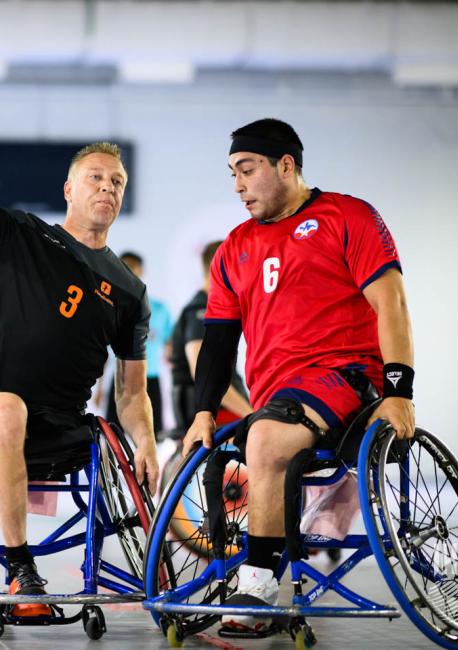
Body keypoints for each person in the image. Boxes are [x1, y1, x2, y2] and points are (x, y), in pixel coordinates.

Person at [183, 118, 415, 634]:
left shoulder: (347, 216)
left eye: (247, 170)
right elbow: (219, 342)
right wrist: (202, 410)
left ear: (285, 165)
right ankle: (256, 563)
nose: (238, 184)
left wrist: (400, 391)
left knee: (264, 438)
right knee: (253, 436)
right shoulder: (235, 247)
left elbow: (392, 302)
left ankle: (259, 584)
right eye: (232, 174)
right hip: (280, 396)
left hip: (346, 378)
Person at [0, 136, 158, 614]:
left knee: (57, 422)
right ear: (68, 189)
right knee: (9, 409)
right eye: (96, 178)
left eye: (117, 182)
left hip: (63, 425)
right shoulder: (22, 233)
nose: (107, 188)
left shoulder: (131, 291)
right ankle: (20, 571)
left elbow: (131, 392)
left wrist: (146, 440)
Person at [169, 240, 252, 435]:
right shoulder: (201, 310)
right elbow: (203, 372)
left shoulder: (204, 308)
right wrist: (251, 415)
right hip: (219, 416)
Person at [97, 252, 174, 435]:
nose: (129, 271)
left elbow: (170, 348)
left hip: (150, 379)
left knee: (152, 435)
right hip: (120, 379)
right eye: (124, 266)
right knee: (113, 435)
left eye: (133, 267)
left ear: (141, 271)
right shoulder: (110, 308)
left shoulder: (160, 310)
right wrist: (99, 388)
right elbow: (104, 354)